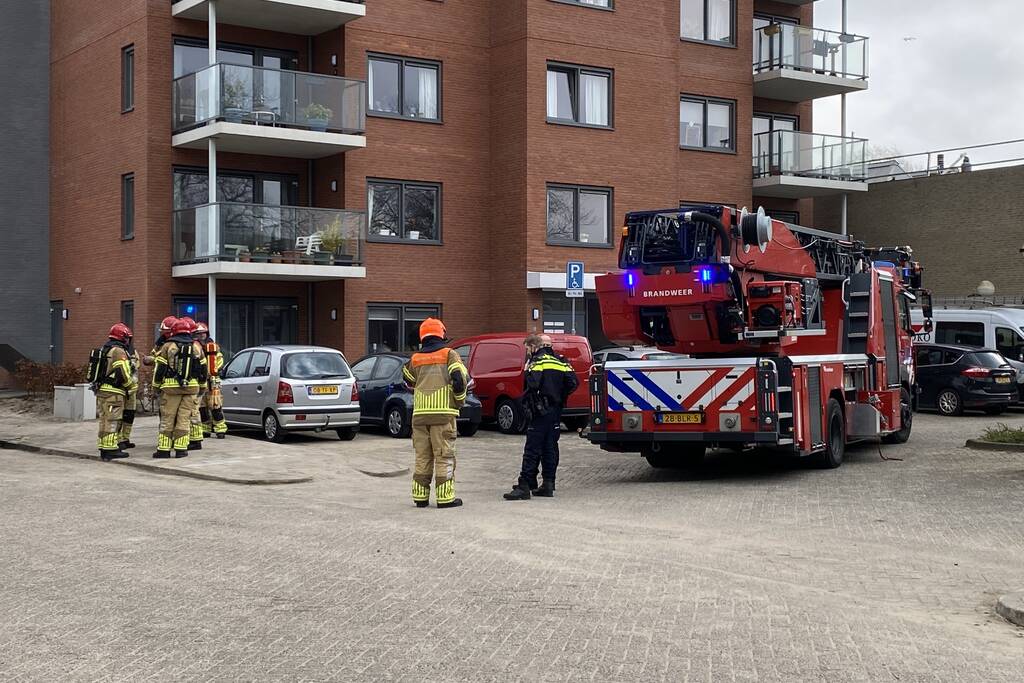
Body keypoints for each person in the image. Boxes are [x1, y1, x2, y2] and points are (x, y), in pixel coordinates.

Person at [401, 317, 469, 509]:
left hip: (420, 415)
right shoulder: (450, 354)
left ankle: (420, 497)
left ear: (423, 336)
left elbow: (406, 379)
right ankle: (445, 498)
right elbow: (459, 380)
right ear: (442, 334)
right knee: (444, 455)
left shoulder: (415, 358)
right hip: (444, 414)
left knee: (423, 456)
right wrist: (459, 400)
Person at [504, 334, 578, 500]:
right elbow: (573, 382)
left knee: (532, 448)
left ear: (533, 347)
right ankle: (548, 484)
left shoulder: (537, 361)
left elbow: (533, 384)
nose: (527, 352)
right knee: (550, 447)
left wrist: (528, 370)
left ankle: (524, 486)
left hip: (539, 411)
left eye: (527, 349)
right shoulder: (561, 361)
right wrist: (559, 396)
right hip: (555, 411)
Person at [152, 317, 207, 459]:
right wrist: (202, 386)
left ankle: (164, 449)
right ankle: (181, 449)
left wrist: (156, 387)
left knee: (168, 418)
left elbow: (160, 369)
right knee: (184, 418)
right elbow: (203, 368)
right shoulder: (196, 346)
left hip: (171, 388)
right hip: (191, 387)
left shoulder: (168, 346)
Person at [93, 323, 137, 461]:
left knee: (104, 420)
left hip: (102, 390)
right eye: (127, 337)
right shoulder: (118, 351)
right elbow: (122, 371)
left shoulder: (105, 349)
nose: (128, 341)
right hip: (114, 392)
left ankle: (104, 446)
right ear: (123, 337)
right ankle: (111, 448)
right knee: (113, 420)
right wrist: (130, 386)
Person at [194, 322, 227, 439]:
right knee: (202, 406)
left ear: (206, 333)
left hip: (213, 380)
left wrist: (214, 370)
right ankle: (205, 429)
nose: (201, 335)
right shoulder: (195, 348)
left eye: (203, 333)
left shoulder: (213, 347)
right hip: (200, 380)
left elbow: (220, 359)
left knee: (215, 405)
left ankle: (220, 429)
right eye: (198, 333)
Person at [117, 343, 142, 451]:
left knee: (129, 414)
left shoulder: (132, 350)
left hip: (132, 388)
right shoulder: (116, 351)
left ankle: (125, 438)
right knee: (119, 415)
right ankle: (118, 439)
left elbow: (137, 365)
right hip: (120, 388)